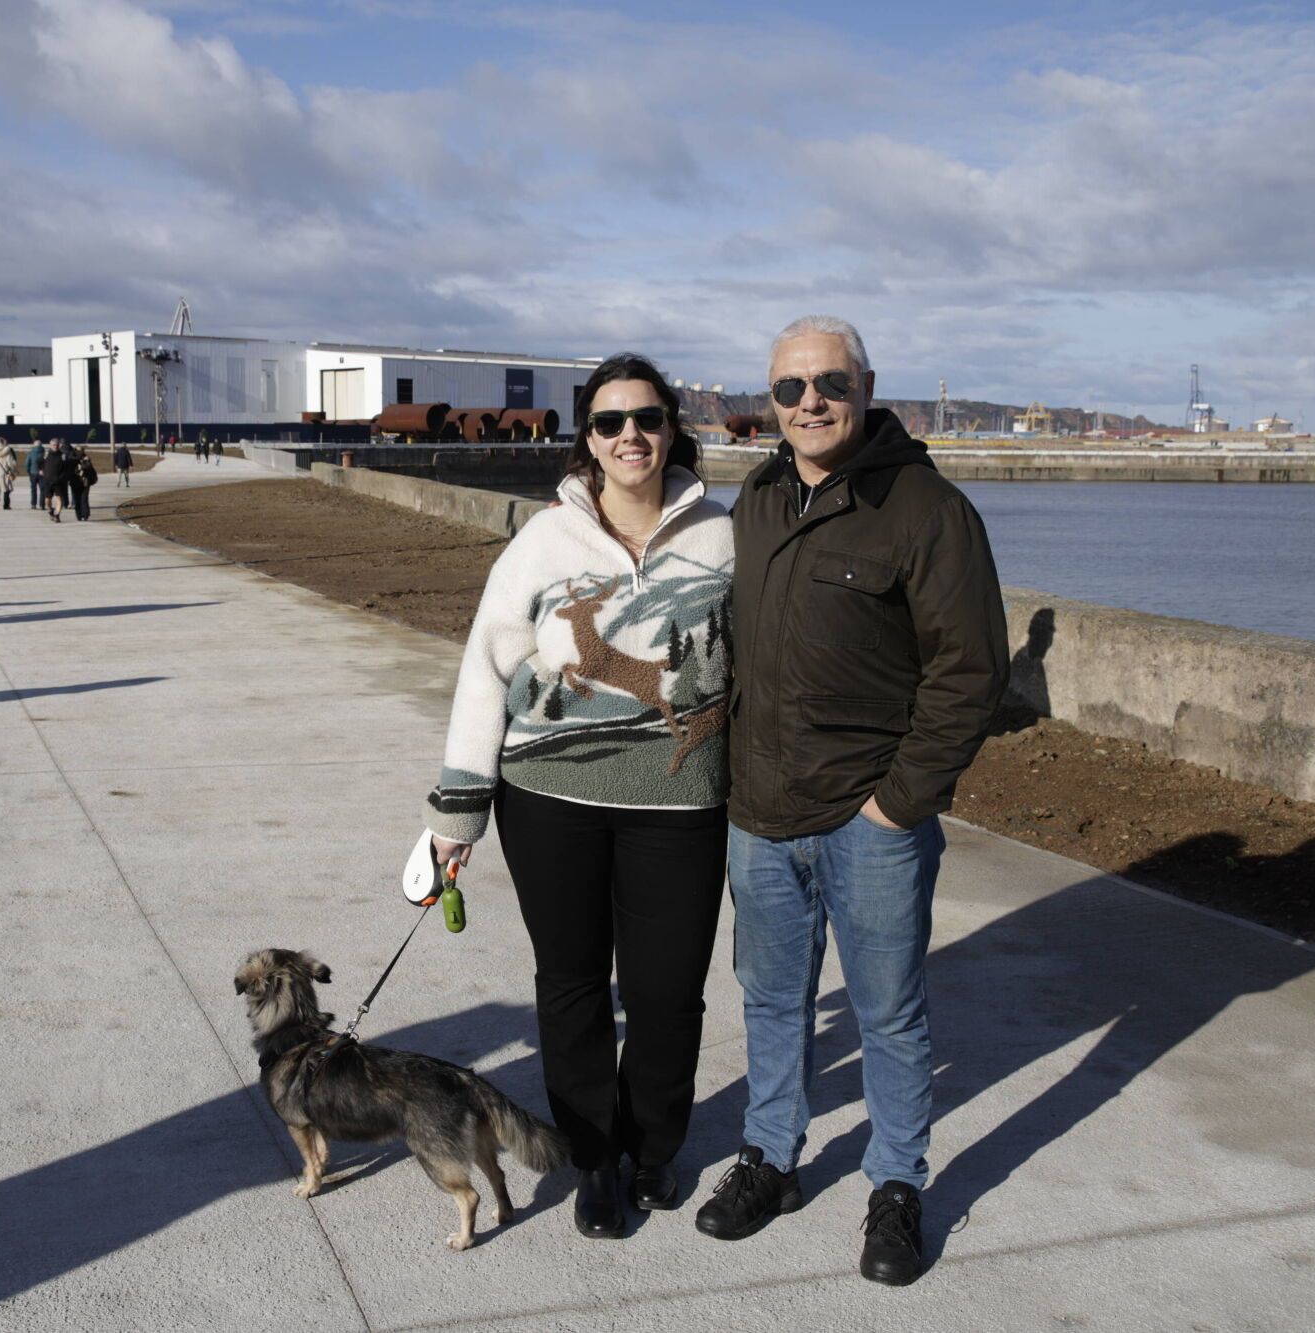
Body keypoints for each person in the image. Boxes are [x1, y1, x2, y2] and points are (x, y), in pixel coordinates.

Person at [694, 317, 1007, 1287]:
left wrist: (898, 803)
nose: (810, 402)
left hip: (868, 819)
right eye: (789, 388)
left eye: (829, 382)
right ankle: (770, 1158)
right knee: (771, 998)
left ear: (867, 388)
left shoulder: (927, 511)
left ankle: (896, 1184)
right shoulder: (757, 499)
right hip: (760, 813)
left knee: (887, 1013)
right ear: (771, 401)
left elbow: (970, 672)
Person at [425, 354, 734, 1239]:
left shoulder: (725, 535)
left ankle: (654, 1144)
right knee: (572, 986)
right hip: (549, 800)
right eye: (609, 421)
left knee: (669, 992)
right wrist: (458, 808)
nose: (630, 435)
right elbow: (486, 670)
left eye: (647, 417)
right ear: (589, 440)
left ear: (671, 428)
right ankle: (594, 1156)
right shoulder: (542, 542)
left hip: (682, 804)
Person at [42, 440, 73, 522]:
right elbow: (39, 463)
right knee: (47, 499)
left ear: (59, 446)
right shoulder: (46, 455)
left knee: (59, 498)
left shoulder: (63, 456)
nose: (55, 446)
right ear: (50, 445)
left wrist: (61, 478)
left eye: (57, 445)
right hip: (48, 481)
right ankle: (50, 511)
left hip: (58, 482)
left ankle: (57, 515)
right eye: (53, 445)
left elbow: (66, 469)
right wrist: (41, 471)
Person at [73, 446, 98, 520]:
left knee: (84, 498)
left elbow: (89, 467)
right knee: (77, 498)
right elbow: (71, 469)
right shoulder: (73, 459)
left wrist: (83, 465)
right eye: (77, 451)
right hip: (75, 481)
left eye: (81, 450)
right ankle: (79, 514)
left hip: (85, 481)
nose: (79, 452)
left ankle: (85, 514)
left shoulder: (86, 459)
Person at [25, 437, 46, 510]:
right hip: (42, 473)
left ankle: (33, 504)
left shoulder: (30, 453)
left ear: (34, 445)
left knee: (33, 489)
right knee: (42, 489)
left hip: (33, 473)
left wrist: (29, 471)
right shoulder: (44, 452)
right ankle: (42, 505)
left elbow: (27, 463)